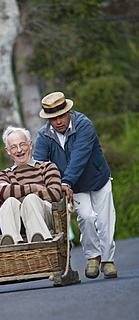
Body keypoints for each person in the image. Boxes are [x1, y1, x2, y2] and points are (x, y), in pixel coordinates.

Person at [33, 91, 117, 279]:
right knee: (86, 217)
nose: (58, 121)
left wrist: (65, 181)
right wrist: (52, 185)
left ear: (68, 111)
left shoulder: (84, 124)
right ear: (48, 119)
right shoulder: (44, 135)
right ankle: (93, 258)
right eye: (53, 118)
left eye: (61, 116)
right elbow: (39, 164)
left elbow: (79, 157)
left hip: (97, 178)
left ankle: (108, 261)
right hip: (71, 185)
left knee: (105, 221)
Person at [0, 126, 62, 246]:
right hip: (18, 222)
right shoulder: (5, 174)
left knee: (30, 200)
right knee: (10, 201)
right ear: (8, 150)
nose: (19, 150)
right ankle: (11, 243)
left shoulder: (47, 167)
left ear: (30, 145)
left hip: (44, 218)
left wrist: (23, 197)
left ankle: (40, 241)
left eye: (23, 144)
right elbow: (2, 193)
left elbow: (55, 193)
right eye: (13, 147)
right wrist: (33, 188)